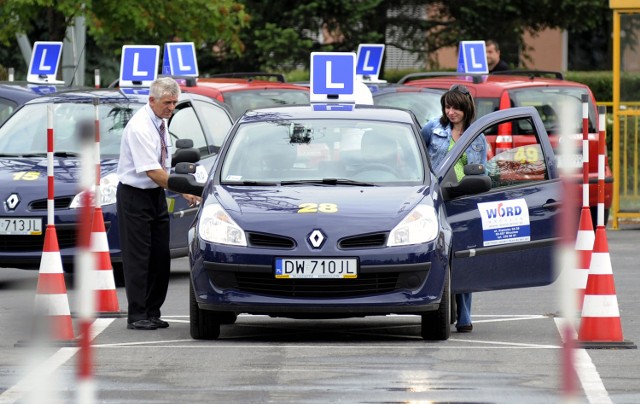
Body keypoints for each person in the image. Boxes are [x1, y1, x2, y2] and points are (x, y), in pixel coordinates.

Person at [116, 77, 199, 330]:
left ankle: (153, 310)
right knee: (139, 257)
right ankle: (137, 314)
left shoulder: (161, 122)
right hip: (135, 195)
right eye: (167, 102)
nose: (171, 107)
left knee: (160, 256)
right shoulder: (140, 126)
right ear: (151, 100)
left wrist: (181, 188)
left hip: (155, 195)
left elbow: (164, 163)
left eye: (175, 103)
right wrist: (184, 188)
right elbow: (152, 171)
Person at [421, 84, 487, 333]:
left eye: (456, 107)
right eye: (447, 107)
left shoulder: (477, 136)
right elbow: (419, 155)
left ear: (466, 108)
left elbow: (482, 168)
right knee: (441, 252)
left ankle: (465, 313)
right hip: (438, 199)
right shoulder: (432, 129)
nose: (451, 112)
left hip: (465, 200)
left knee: (464, 253)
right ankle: (442, 305)